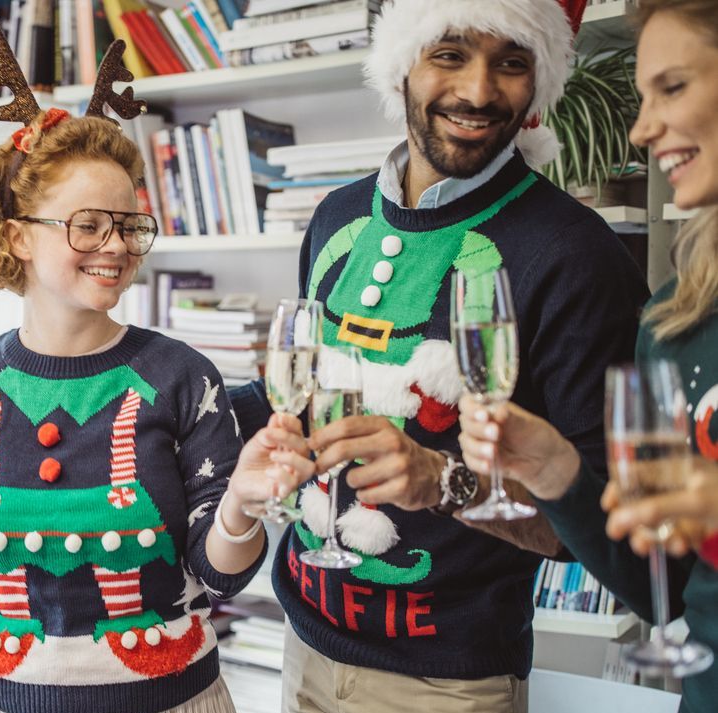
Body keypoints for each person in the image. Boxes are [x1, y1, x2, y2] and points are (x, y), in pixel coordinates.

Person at [227, 0, 651, 710]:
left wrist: (445, 480)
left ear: (538, 81)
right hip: (301, 646)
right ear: (402, 68)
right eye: (449, 53)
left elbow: (599, 525)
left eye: (512, 62)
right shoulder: (336, 216)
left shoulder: (579, 255)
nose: (480, 91)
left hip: (449, 683)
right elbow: (296, 393)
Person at [0, 15, 285, 713]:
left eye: (129, 225)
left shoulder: (184, 378)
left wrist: (244, 505)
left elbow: (219, 576)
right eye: (88, 224)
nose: (116, 245)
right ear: (18, 237)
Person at [458, 1, 718, 710]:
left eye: (673, 88)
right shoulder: (673, 323)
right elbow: (660, 592)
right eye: (641, 98)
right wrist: (557, 472)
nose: (640, 129)